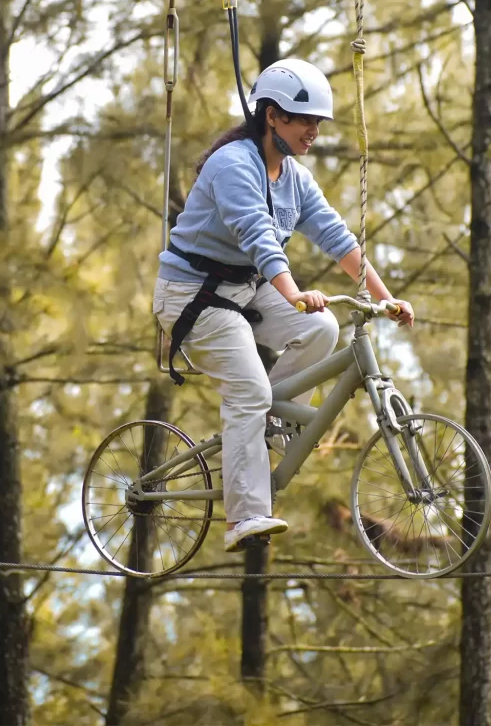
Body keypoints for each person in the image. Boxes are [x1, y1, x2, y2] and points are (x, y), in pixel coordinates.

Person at [152, 57, 415, 552]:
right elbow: (258, 237)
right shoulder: (233, 165)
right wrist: (293, 293)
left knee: (321, 328)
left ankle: (271, 425)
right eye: (304, 121)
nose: (313, 131)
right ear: (272, 116)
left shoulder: (294, 177)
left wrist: (387, 298)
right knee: (249, 390)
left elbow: (337, 237)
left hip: (244, 289)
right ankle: (245, 516)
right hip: (192, 296)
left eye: (318, 122)